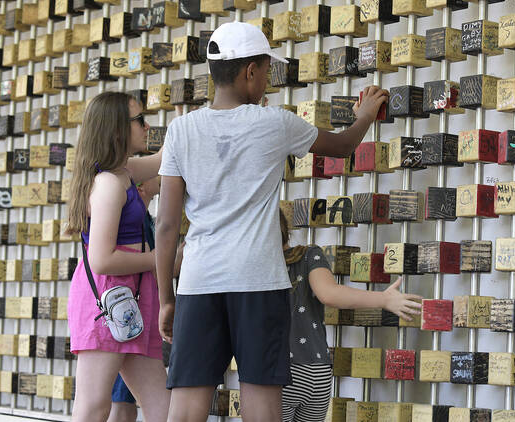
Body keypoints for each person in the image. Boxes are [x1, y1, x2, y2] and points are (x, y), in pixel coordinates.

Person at [154, 21, 389, 422]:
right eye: (266, 71)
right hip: (259, 283)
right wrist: (365, 115)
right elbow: (344, 146)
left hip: (199, 282)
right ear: (250, 71)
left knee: (186, 409)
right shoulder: (275, 123)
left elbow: (166, 225)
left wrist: (165, 298)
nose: (267, 81)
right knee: (261, 404)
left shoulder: (180, 131)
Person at [65, 91, 170, 422]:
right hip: (109, 299)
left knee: (163, 408)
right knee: (94, 406)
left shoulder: (123, 172)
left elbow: (162, 160)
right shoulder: (110, 182)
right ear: (116, 130)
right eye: (139, 120)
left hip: (130, 299)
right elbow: (102, 260)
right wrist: (161, 259)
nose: (146, 126)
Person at [278, 211, 421, 422]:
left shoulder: (256, 267)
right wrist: (384, 300)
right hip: (317, 371)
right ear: (286, 230)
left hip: (279, 371)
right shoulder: (309, 255)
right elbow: (330, 294)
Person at [107, 176, 161, 422]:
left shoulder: (145, 220)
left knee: (131, 396)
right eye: (157, 181)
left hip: (139, 311)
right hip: (126, 311)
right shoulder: (131, 219)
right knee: (120, 398)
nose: (162, 185)